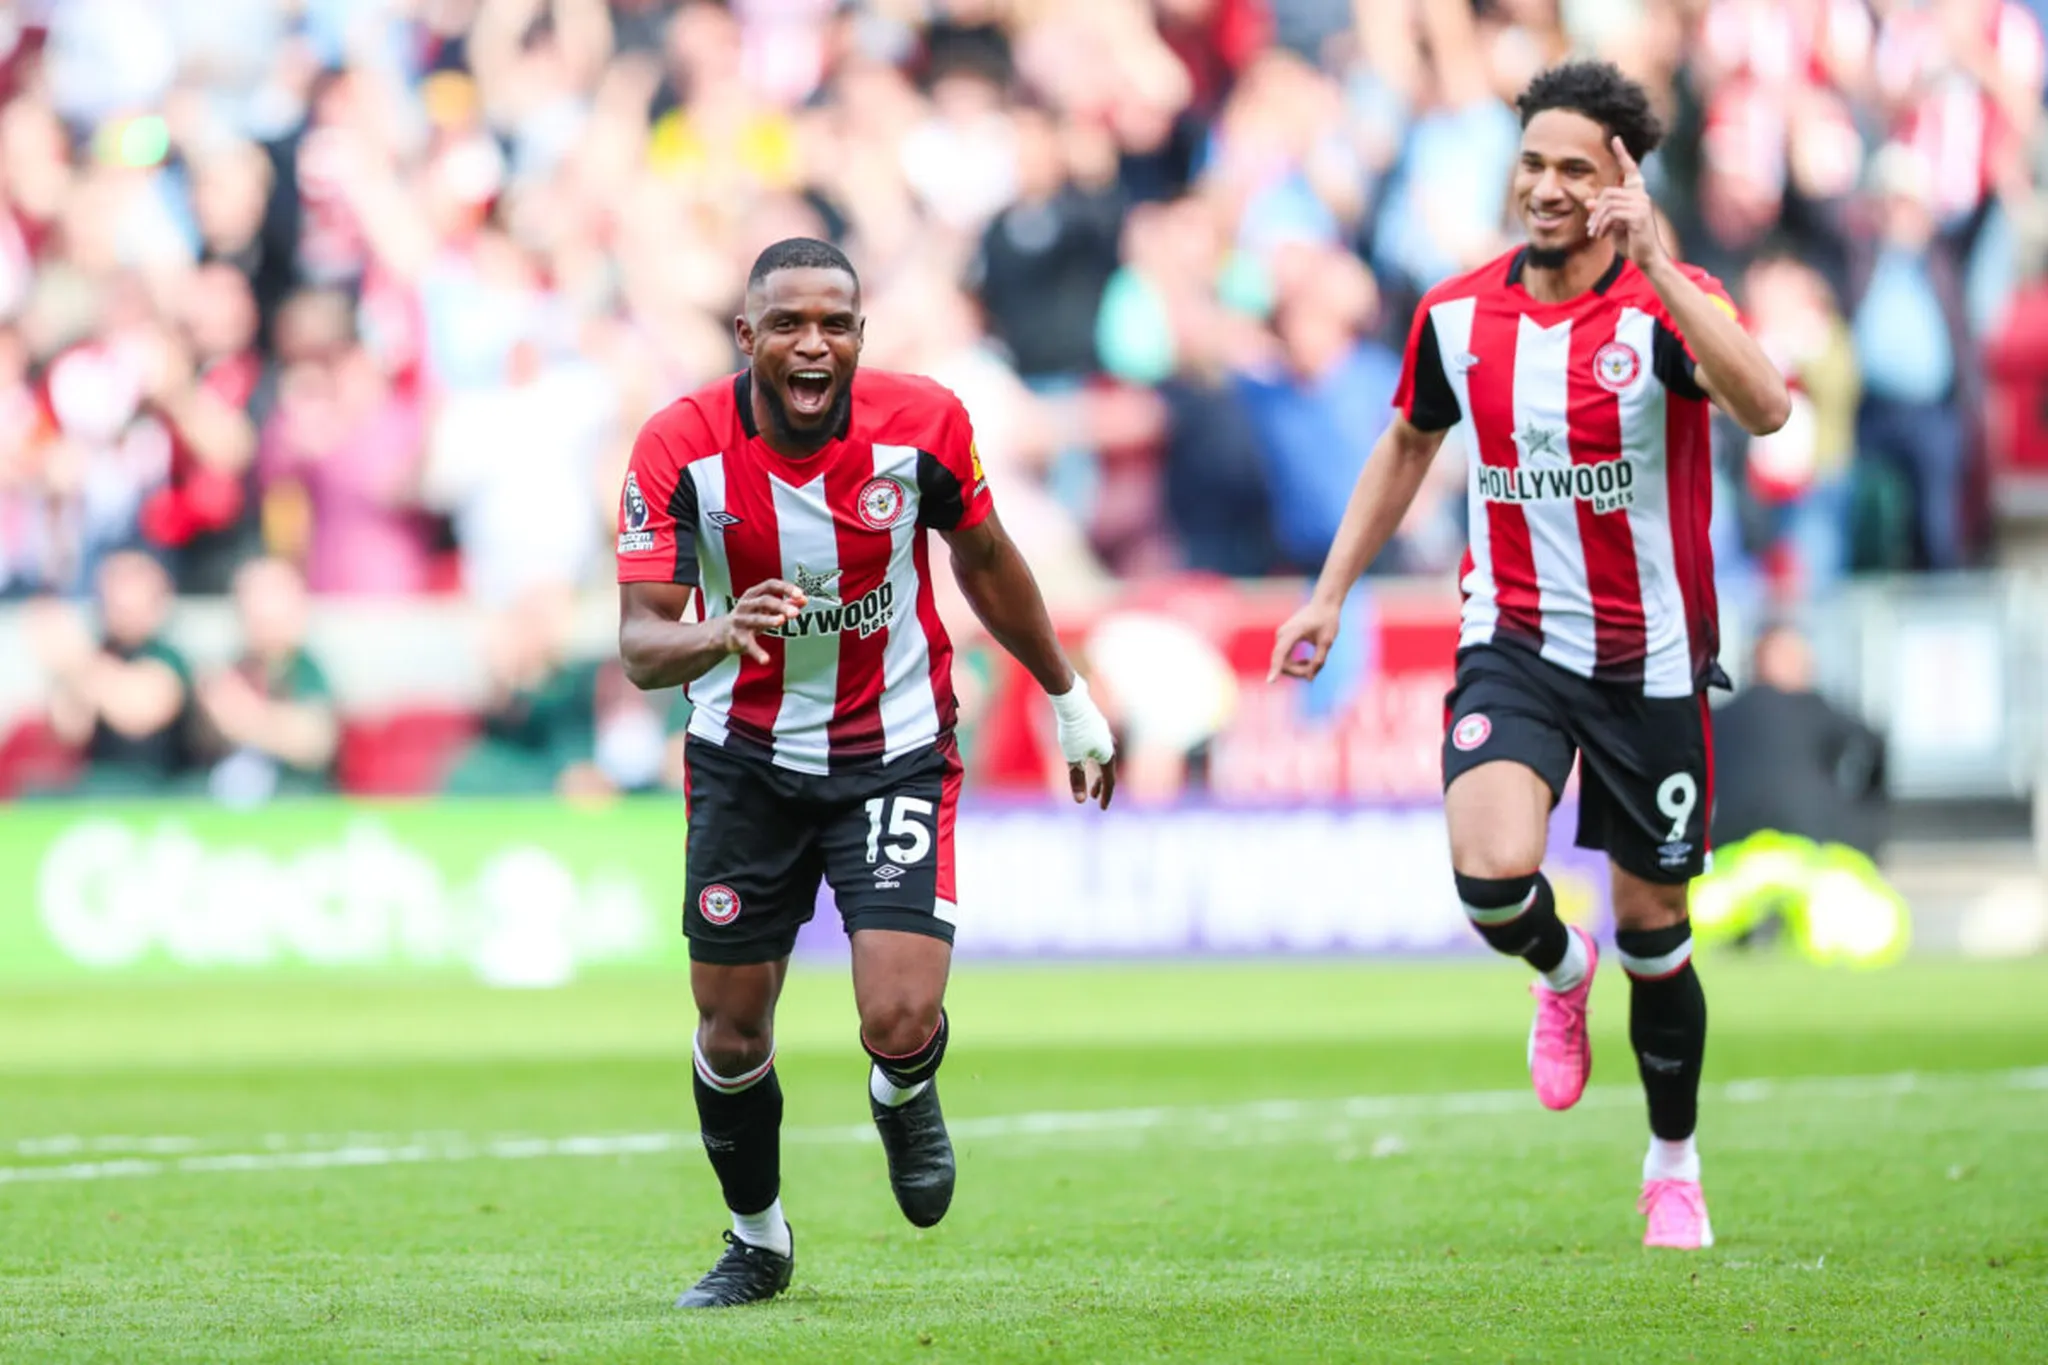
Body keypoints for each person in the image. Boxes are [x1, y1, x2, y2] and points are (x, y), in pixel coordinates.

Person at [1269, 61, 1790, 1251]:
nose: (1545, 188)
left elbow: (1765, 408)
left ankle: (1671, 1165)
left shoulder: (1665, 307)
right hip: (1511, 638)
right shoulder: (1456, 316)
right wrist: (1328, 595)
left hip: (1649, 659)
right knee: (1489, 873)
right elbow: (1406, 443)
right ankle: (1558, 971)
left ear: (1619, 181)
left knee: (1655, 937)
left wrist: (1658, 262)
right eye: (1530, 164)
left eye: (1572, 169)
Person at [616, 237, 1118, 1307]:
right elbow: (640, 644)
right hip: (745, 761)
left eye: (834, 325)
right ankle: (757, 1239)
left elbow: (987, 561)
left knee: (898, 1014)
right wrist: (717, 631)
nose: (813, 344)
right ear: (746, 336)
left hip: (893, 752)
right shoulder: (678, 447)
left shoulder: (924, 424)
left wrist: (1067, 695)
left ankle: (902, 1086)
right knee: (731, 1030)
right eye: (787, 325)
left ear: (857, 335)